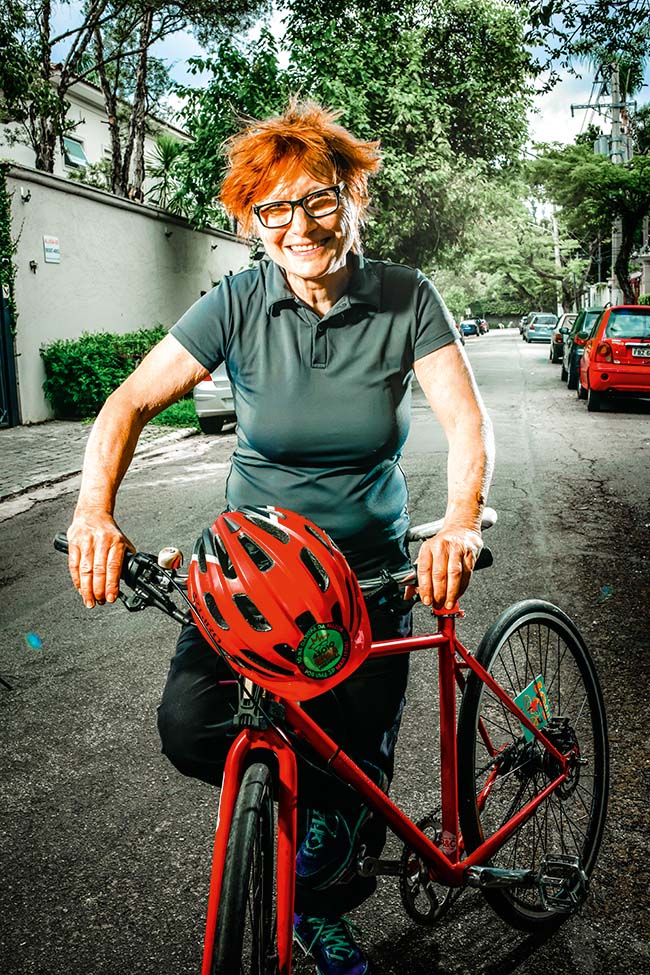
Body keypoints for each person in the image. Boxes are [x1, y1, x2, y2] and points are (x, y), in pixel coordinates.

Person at [66, 99, 494, 975]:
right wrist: (92, 512)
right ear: (253, 222)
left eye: (319, 201)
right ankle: (311, 824)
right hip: (248, 582)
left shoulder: (407, 298)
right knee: (190, 726)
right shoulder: (236, 301)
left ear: (354, 201)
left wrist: (455, 522)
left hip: (368, 580)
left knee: (355, 779)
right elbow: (127, 405)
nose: (298, 226)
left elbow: (466, 424)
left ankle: (321, 905)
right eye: (273, 209)